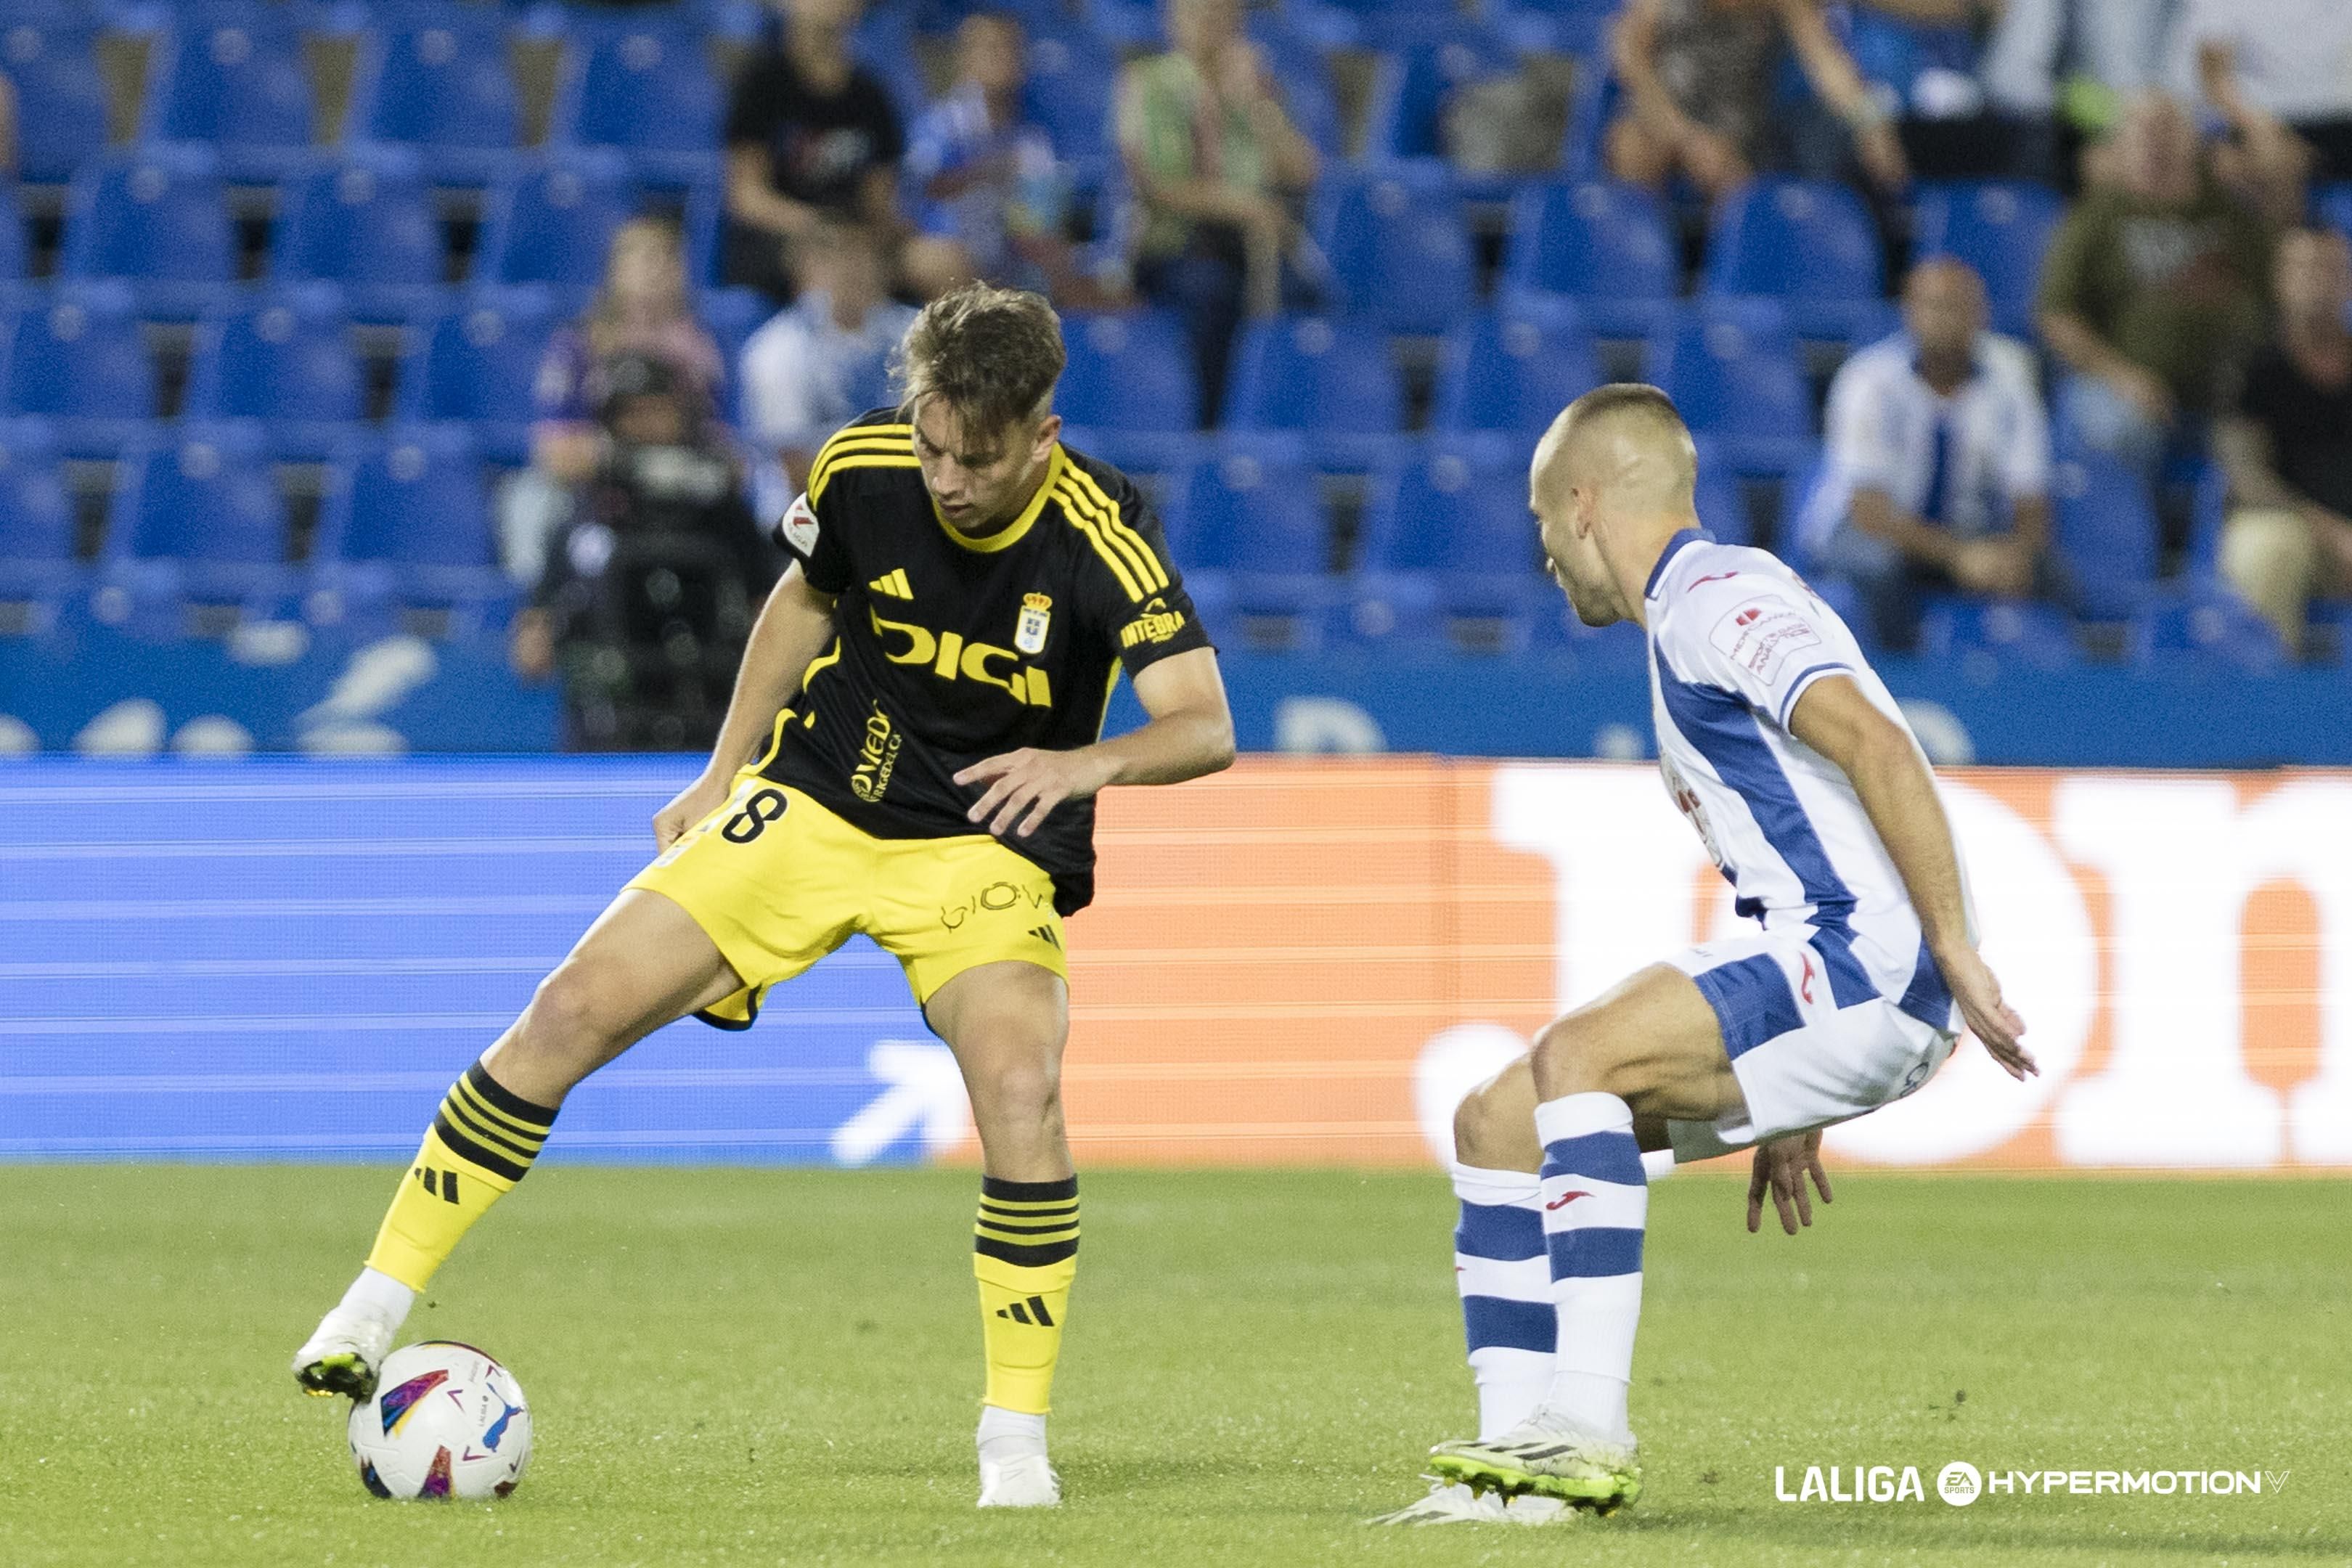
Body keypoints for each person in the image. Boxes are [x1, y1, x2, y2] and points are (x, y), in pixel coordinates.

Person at [291, 282, 1236, 1511]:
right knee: (573, 1007)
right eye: (935, 443)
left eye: (980, 459)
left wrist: (1084, 762)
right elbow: (805, 597)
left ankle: (1014, 1441)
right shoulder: (865, 466)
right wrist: (721, 769)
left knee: (1021, 1089)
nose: (948, 477)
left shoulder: (1104, 537)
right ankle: (373, 1305)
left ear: (1042, 438)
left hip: (981, 846)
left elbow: (1204, 724)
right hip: (824, 795)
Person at [1384, 385, 2032, 1522]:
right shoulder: (1697, 609)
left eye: (1544, 526)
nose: (1546, 558)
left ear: (1584, 507)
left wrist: (1951, 946)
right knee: (1495, 1122)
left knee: (1578, 1054)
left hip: (1866, 965)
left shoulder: (1716, 598)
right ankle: (1512, 1479)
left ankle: (1585, 1425)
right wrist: (1793, 1089)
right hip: (1829, 972)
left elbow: (1880, 745)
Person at [511, 354, 776, 752]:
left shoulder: (721, 506)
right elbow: (538, 629)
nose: (646, 426)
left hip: (709, 701)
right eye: (632, 414)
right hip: (610, 708)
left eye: (658, 410)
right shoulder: (589, 507)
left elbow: (767, 603)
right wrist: (539, 631)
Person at [1803, 258, 2054, 650]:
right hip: (1867, 531)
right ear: (1909, 312)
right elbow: (1869, 511)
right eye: (1932, 306)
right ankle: (1898, 681)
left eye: (1956, 306)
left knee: (2054, 575)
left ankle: (2012, 686)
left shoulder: (2011, 379)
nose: (1943, 319)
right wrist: (1959, 557)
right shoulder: (1868, 379)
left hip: (1965, 529)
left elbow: (2031, 497)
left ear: (1981, 314)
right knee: (1876, 567)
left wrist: (2016, 555)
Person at [2039, 91, 2275, 486]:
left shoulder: (2231, 211)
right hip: (2125, 388)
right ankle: (2142, 539)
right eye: (2141, 133)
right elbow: (2057, 316)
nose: (2154, 144)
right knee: (2121, 428)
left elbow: (2274, 295)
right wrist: (2123, 376)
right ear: (2122, 146)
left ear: (2192, 140)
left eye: (2165, 130)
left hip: (2228, 390)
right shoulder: (2097, 215)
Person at [1116, 0, 1320, 427]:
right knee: (1212, 295)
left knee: (1311, 304)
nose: (1210, 27)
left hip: (1252, 250)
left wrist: (1259, 106)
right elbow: (1160, 184)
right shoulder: (1147, 83)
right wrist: (1245, 207)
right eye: (1198, 14)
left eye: (1222, 16)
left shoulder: (1252, 85)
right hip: (1174, 249)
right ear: (1174, 20)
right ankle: (1209, 432)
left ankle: (1275, 430)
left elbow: (1302, 171)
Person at [502, 217, 727, 589]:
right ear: (614, 270)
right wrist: (628, 460)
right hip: (593, 485)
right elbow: (554, 452)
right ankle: (540, 609)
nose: (655, 269)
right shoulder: (578, 345)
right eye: (642, 257)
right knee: (532, 503)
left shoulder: (699, 353)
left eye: (667, 257)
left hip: (677, 480)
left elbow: (716, 444)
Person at [722, 0, 966, 301]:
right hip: (784, 235)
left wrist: (880, 233)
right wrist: (817, 226)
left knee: (942, 263)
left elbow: (879, 203)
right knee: (834, 267)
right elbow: (747, 197)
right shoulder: (762, 86)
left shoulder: (871, 95)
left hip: (857, 236)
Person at [1604, 0, 1909, 203]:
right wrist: (1686, 137)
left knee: (1741, 189)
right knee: (1634, 148)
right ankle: (1634, 268)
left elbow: (1826, 63)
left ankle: (1731, 282)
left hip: (1734, 129)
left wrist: (1871, 123)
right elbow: (1630, 56)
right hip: (1663, 111)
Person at [2214, 227, 2352, 652]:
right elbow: (2246, 477)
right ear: (2280, 280)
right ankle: (2267, 699)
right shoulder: (2251, 364)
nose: (2316, 281)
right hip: (2286, 525)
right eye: (2303, 268)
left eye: (2329, 269)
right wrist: (2334, 533)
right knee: (2269, 549)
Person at [907, 12, 1095, 301]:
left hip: (1011, 257)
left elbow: (1037, 219)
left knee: (1082, 276)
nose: (1004, 56)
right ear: (965, 58)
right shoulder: (942, 125)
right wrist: (988, 172)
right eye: (991, 48)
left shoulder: (1032, 138)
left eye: (1011, 48)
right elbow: (918, 192)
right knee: (937, 260)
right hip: (952, 249)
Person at [739, 216, 918, 514]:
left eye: (862, 255)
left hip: (909, 502)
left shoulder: (918, 332)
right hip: (808, 516)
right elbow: (796, 468)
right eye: (834, 258)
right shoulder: (775, 349)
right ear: (802, 271)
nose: (851, 270)